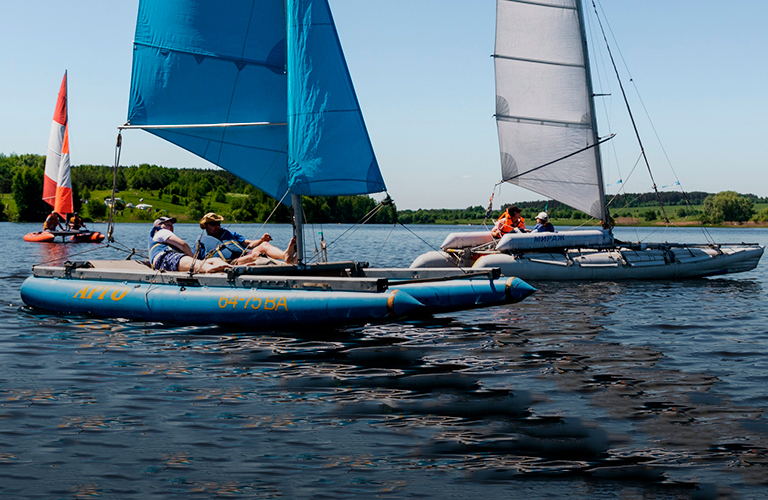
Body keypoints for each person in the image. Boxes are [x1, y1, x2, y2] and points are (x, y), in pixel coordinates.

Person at [197, 212, 296, 265]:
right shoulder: (202, 242)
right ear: (205, 226)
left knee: (264, 245)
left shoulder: (229, 234)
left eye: (218, 223)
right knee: (256, 255)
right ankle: (288, 262)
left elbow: (249, 244)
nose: (216, 226)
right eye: (213, 224)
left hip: (243, 256)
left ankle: (286, 256)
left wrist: (261, 240)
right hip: (230, 263)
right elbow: (198, 261)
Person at [148, 216, 231, 273]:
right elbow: (183, 245)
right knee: (199, 264)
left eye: (172, 225)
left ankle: (230, 268)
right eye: (168, 225)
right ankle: (210, 268)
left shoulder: (163, 239)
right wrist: (193, 259)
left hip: (171, 260)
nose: (171, 227)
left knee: (215, 260)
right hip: (165, 259)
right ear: (158, 226)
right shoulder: (161, 232)